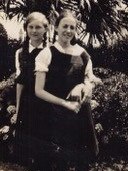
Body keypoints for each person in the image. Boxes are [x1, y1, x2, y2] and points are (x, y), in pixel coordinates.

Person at [35, 10, 99, 171]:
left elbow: (91, 79)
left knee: (81, 161)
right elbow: (39, 90)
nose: (68, 31)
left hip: (79, 114)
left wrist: (84, 86)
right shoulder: (46, 53)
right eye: (65, 26)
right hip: (53, 115)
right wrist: (65, 103)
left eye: (72, 27)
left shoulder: (83, 54)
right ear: (56, 28)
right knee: (56, 162)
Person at [11, 12, 50, 170]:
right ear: (26, 29)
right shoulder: (19, 53)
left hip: (45, 104)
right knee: (26, 152)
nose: (34, 31)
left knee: (43, 153)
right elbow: (20, 83)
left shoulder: (51, 52)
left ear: (45, 29)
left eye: (38, 27)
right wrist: (18, 109)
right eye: (31, 27)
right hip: (27, 103)